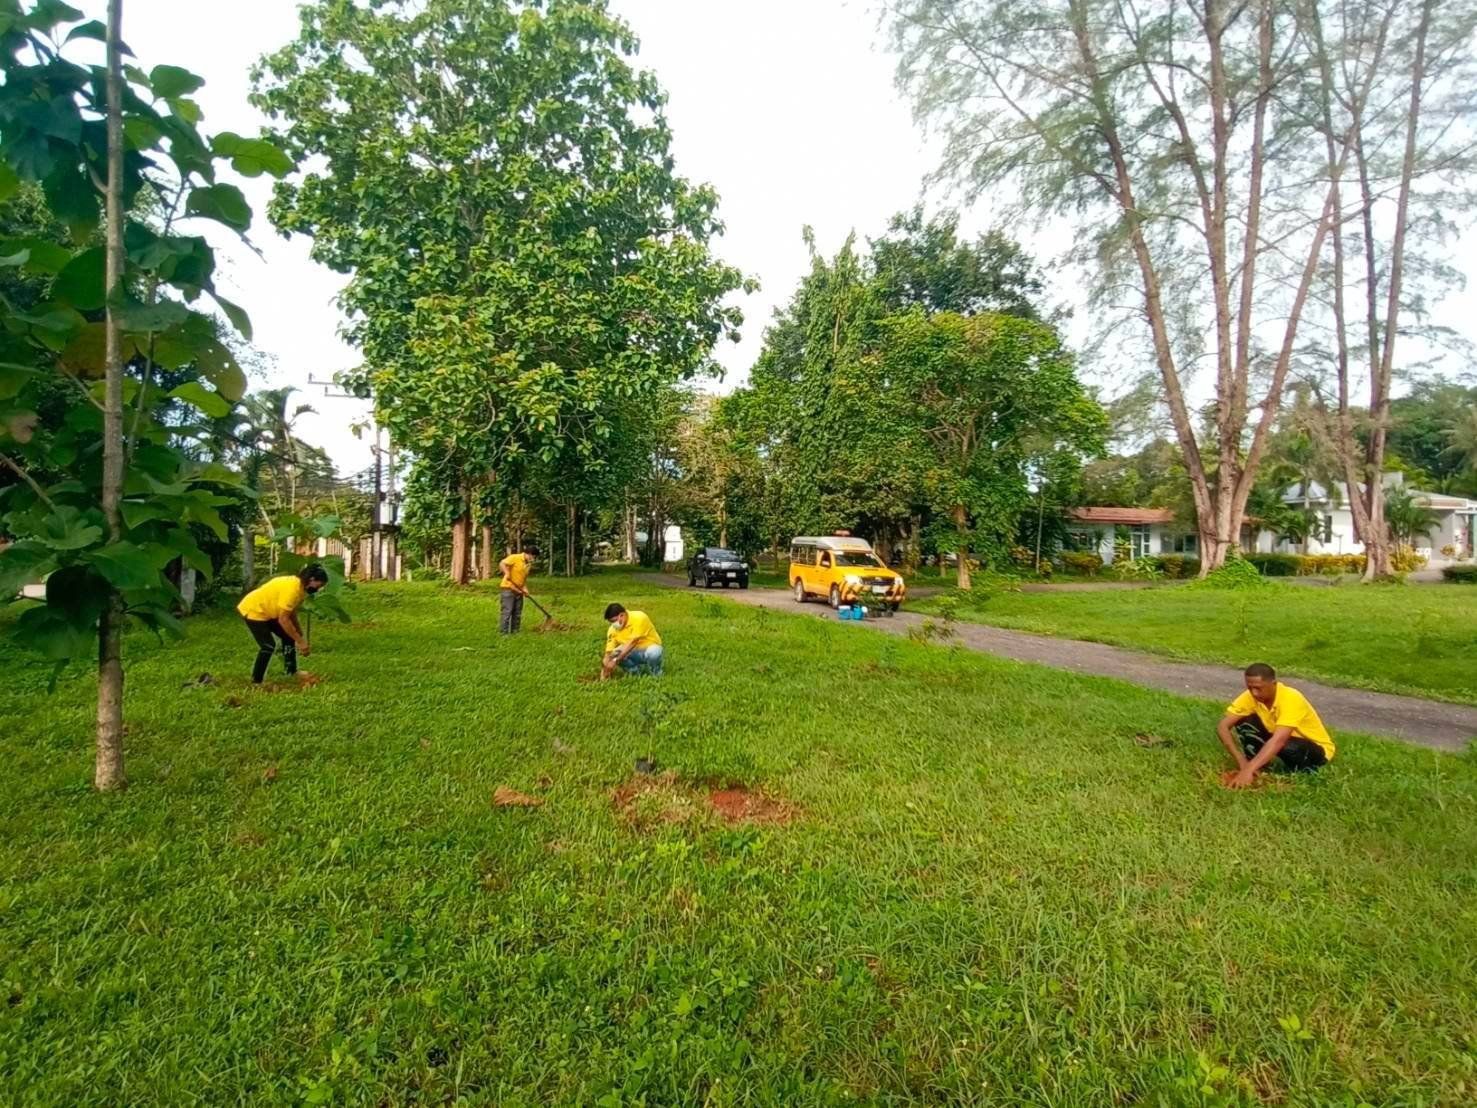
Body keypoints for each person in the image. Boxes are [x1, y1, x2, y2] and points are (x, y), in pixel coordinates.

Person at [1215, 662, 1336, 788]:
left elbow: (1279, 740)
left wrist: (1247, 770)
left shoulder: (1291, 698)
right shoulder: (1250, 696)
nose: (1254, 693)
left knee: (1288, 746)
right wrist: (1242, 761)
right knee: (1244, 720)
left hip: (1314, 749)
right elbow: (1223, 726)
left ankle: (1304, 771)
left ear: (1273, 684)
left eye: (1258, 688)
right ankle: (1257, 764)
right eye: (1250, 688)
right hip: (1279, 740)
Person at [238, 564, 328, 684]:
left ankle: (291, 671)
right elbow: (283, 619)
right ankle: (256, 681)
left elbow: (291, 610)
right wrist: (301, 642)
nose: (319, 589)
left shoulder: (300, 587)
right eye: (319, 585)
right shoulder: (293, 589)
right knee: (268, 646)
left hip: (269, 611)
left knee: (288, 636)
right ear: (312, 580)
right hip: (254, 610)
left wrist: (297, 630)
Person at [601, 603, 663, 679]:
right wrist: (605, 668)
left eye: (614, 621)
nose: (613, 624)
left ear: (622, 615)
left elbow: (633, 642)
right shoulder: (612, 630)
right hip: (631, 652)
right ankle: (634, 673)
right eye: (611, 622)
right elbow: (608, 652)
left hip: (648, 648)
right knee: (615, 653)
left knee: (654, 652)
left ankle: (656, 674)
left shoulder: (639, 618)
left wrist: (615, 661)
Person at [497, 546, 538, 634]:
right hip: (508, 589)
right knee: (507, 611)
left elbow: (523, 579)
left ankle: (515, 632)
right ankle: (504, 633)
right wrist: (507, 573)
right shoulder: (515, 557)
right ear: (528, 554)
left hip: (518, 590)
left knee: (517, 612)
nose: (533, 559)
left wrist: (525, 590)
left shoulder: (528, 565)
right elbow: (502, 563)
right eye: (533, 556)